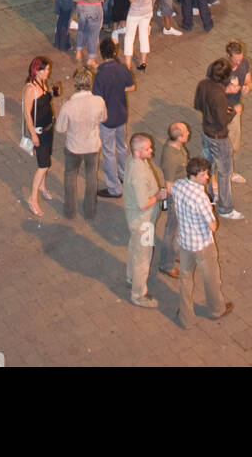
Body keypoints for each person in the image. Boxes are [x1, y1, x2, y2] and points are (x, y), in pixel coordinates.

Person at [171, 157, 234, 327]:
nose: (207, 177)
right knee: (211, 278)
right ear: (196, 174)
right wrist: (213, 214)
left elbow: (170, 191)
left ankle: (186, 317)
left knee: (185, 279)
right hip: (202, 245)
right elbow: (213, 226)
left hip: (185, 242)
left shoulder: (178, 185)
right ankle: (216, 309)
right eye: (205, 174)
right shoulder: (201, 197)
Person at [194, 60, 243, 221]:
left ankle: (208, 196)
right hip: (218, 137)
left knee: (207, 166)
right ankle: (225, 207)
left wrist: (216, 111)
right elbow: (223, 121)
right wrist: (233, 111)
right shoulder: (219, 96)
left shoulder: (203, 85)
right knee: (224, 172)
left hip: (205, 131)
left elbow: (198, 105)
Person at [54, 65, 105, 220]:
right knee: (91, 178)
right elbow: (103, 118)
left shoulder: (68, 105)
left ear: (75, 84)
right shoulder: (98, 101)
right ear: (90, 83)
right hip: (92, 146)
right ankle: (90, 211)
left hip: (74, 147)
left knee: (70, 176)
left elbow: (60, 128)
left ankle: (70, 210)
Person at [123, 134, 167, 308]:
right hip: (144, 223)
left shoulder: (132, 161)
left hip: (136, 220)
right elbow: (142, 204)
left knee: (134, 248)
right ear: (137, 151)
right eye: (147, 149)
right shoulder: (139, 174)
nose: (152, 151)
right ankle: (138, 294)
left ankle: (131, 277)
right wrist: (157, 196)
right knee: (143, 257)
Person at [94, 37, 135, 199]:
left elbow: (97, 99)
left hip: (107, 119)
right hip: (121, 114)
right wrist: (119, 89)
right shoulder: (122, 68)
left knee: (108, 152)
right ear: (114, 52)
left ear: (101, 54)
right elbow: (131, 86)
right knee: (122, 146)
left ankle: (114, 188)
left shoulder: (100, 75)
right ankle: (124, 175)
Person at [23, 57, 58, 216]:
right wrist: (33, 135)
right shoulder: (30, 88)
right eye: (45, 70)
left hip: (48, 128)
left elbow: (44, 103)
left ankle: (43, 187)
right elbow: (27, 114)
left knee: (47, 160)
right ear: (37, 71)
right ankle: (33, 198)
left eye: (48, 70)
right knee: (43, 165)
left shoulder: (42, 83)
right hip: (39, 132)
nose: (47, 73)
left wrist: (52, 93)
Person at [157, 122, 190, 278]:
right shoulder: (171, 157)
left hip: (182, 194)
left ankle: (174, 253)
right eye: (186, 132)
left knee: (178, 229)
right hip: (176, 199)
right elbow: (169, 186)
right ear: (179, 138)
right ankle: (167, 264)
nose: (189, 133)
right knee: (171, 231)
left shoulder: (177, 147)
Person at [221, 40, 252, 181]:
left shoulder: (245, 62)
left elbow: (248, 80)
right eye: (235, 60)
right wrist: (227, 89)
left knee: (232, 143)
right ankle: (215, 178)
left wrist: (247, 87)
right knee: (219, 145)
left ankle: (228, 172)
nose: (238, 63)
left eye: (240, 59)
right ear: (228, 56)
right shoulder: (219, 68)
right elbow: (209, 91)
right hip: (219, 111)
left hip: (234, 112)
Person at [123, 0, 156, 72]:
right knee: (144, 35)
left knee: (129, 37)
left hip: (135, 12)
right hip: (147, 11)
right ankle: (143, 62)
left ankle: (127, 64)